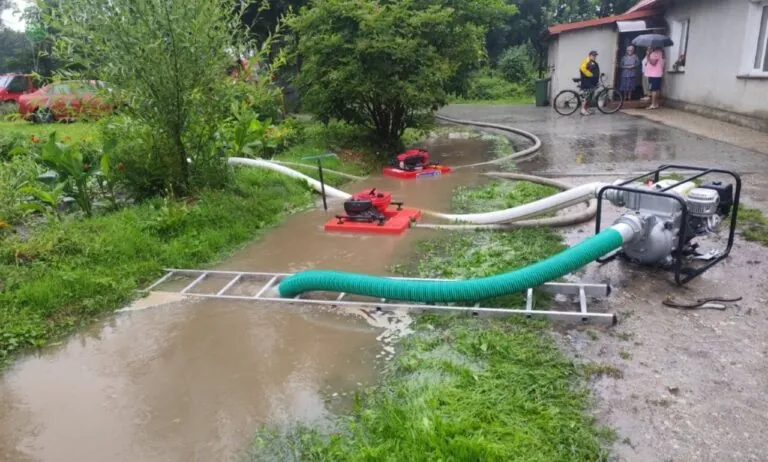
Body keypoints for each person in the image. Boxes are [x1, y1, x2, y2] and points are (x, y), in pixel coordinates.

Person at [579, 50, 600, 116]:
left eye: (595, 55)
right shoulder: (587, 60)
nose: (594, 57)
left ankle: (586, 109)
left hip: (591, 82)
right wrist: (590, 74)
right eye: (593, 55)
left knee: (590, 96)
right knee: (586, 96)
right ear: (589, 55)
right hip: (587, 81)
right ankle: (582, 110)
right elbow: (582, 68)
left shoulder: (593, 62)